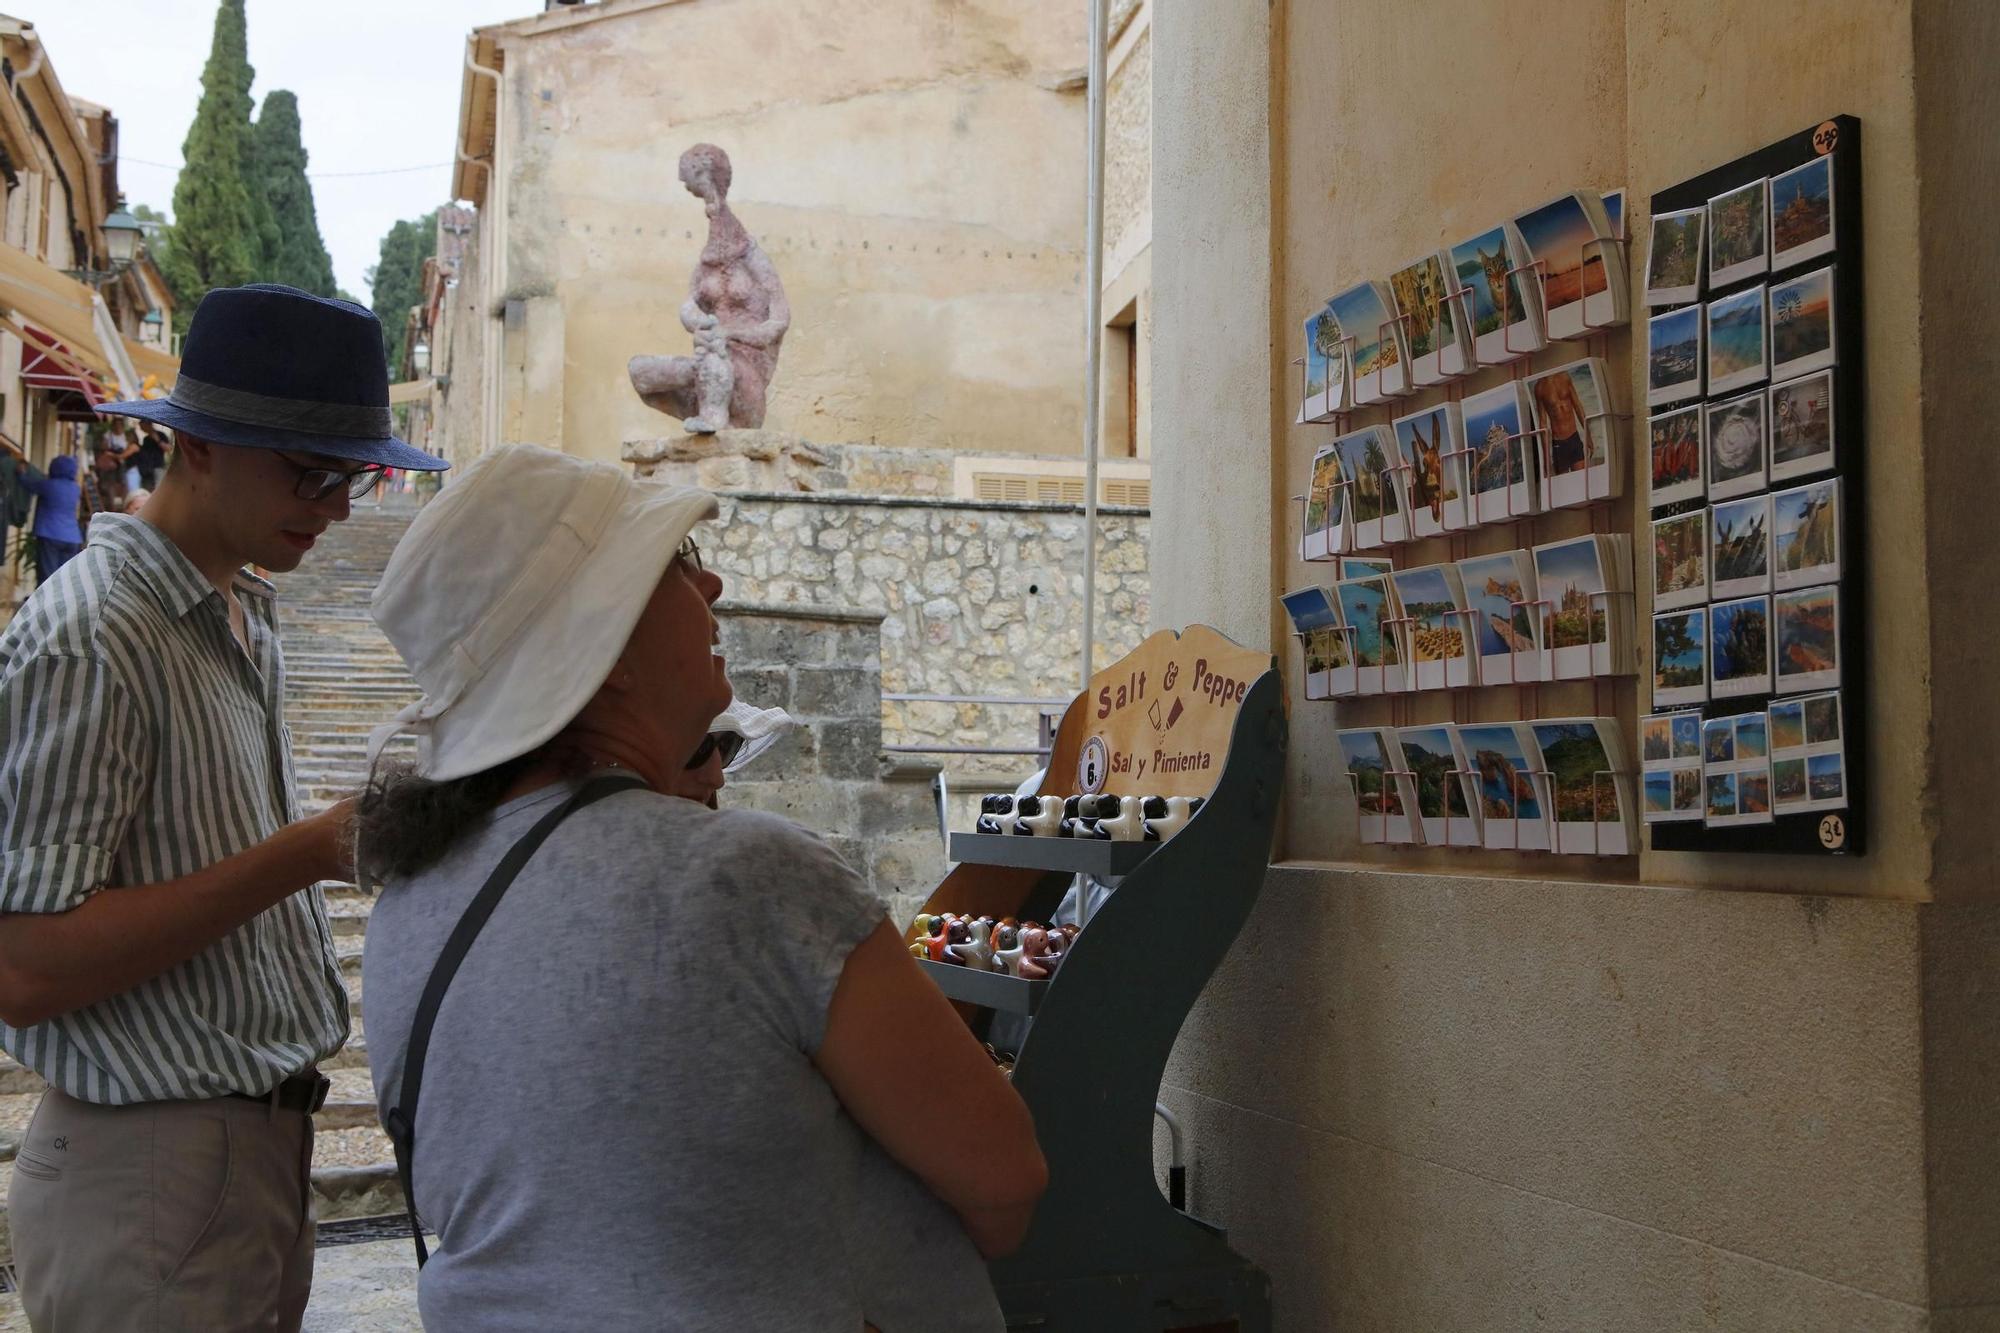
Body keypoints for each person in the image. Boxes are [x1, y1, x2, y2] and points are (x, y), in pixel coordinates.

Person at [358, 445, 1042, 1331]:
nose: (712, 583)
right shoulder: (746, 876)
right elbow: (1005, 1179)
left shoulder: (405, 912)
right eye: (674, 564)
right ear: (604, 651)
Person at [0, 283, 451, 1330]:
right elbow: (22, 966)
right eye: (312, 471)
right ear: (197, 448)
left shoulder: (238, 606)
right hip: (150, 1163)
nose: (339, 504)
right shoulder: (101, 630)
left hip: (234, 1159)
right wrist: (304, 853)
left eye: (357, 474)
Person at [2, 449, 85, 586]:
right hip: (72, 538)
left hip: (50, 534)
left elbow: (29, 485)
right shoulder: (75, 488)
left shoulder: (48, 485)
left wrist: (21, 473)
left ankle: (45, 606)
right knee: (63, 580)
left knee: (47, 579)